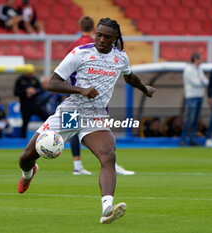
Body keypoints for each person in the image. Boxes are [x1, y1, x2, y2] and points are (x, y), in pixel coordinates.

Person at [17, 18, 156, 224]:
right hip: (72, 112)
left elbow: (129, 76)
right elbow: (53, 83)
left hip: (96, 116)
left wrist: (144, 88)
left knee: (108, 157)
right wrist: (80, 90)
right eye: (99, 34)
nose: (101, 39)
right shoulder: (80, 53)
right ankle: (29, 173)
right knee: (26, 157)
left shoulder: (120, 58)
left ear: (115, 38)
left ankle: (107, 208)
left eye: (106, 36)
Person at [65, 16, 135, 176]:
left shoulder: (74, 45)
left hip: (72, 93)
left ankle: (77, 165)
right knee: (102, 131)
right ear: (93, 29)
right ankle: (112, 165)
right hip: (95, 95)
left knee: (70, 129)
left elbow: (66, 68)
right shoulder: (96, 43)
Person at [180, 53, 209, 146]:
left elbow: (206, 82)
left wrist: (202, 81)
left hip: (199, 96)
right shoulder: (188, 69)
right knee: (190, 119)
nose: (202, 60)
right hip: (192, 97)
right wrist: (202, 80)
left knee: (196, 120)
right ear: (196, 59)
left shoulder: (200, 70)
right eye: (201, 58)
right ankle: (183, 139)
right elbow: (196, 82)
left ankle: (192, 140)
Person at [14, 73, 49, 138]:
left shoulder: (34, 79)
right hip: (25, 106)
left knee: (47, 117)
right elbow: (16, 92)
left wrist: (34, 91)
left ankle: (48, 134)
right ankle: (23, 139)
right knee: (25, 123)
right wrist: (26, 92)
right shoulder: (20, 80)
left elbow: (41, 89)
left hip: (35, 105)